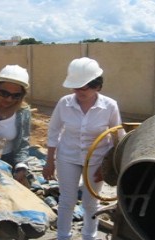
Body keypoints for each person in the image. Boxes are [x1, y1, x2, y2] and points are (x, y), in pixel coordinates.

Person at [42, 57, 125, 240]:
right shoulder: (64, 103)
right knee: (67, 200)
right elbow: (54, 131)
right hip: (67, 157)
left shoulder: (109, 106)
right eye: (75, 87)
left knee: (90, 201)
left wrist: (108, 167)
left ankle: (89, 236)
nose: (78, 91)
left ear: (97, 85)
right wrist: (50, 161)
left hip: (97, 159)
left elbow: (117, 137)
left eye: (84, 87)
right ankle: (63, 236)